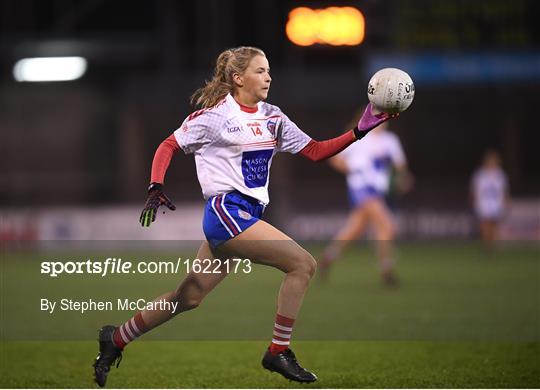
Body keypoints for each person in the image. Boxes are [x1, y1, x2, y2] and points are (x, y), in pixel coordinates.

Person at [92, 47, 398, 387]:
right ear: (238, 78)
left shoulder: (272, 117)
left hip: (243, 215)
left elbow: (315, 150)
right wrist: (155, 185)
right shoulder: (215, 117)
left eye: (268, 70)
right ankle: (278, 351)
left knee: (188, 297)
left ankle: (116, 338)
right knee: (302, 264)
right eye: (260, 71)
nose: (268, 76)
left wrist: (359, 130)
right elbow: (169, 145)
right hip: (226, 213)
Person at [319, 114, 411, 286]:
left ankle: (327, 259)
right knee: (386, 226)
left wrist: (402, 177)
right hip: (361, 188)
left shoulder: (390, 140)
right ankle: (387, 272)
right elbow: (335, 157)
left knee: (353, 231)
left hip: (378, 190)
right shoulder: (359, 137)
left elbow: (400, 166)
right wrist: (352, 170)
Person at [470, 149, 509, 251]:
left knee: (494, 226)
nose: (492, 163)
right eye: (490, 161)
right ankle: (487, 246)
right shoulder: (480, 175)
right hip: (483, 203)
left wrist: (505, 202)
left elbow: (504, 191)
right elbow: (475, 189)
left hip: (496, 203)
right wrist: (474, 202)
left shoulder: (500, 174)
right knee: (485, 225)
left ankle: (492, 245)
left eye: (494, 161)